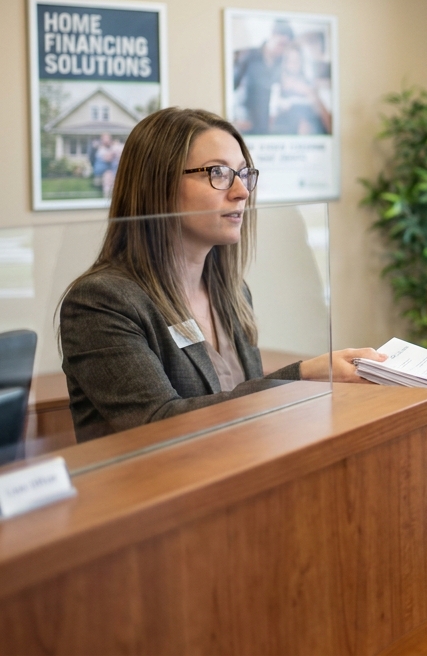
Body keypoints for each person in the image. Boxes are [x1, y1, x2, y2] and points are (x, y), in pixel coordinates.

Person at [60, 107, 384, 442]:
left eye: (244, 175)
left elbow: (247, 410)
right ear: (158, 184)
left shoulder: (232, 293)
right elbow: (157, 426)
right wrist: (300, 376)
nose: (242, 192)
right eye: (218, 173)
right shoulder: (100, 302)